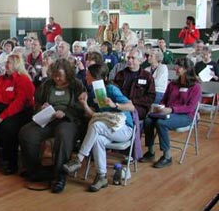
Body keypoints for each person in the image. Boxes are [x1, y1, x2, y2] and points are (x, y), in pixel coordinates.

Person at [63, 63, 135, 192]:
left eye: (88, 75)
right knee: (97, 137)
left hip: (124, 129)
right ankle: (102, 176)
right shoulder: (92, 92)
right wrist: (84, 104)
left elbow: (131, 107)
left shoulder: (111, 89)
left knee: (96, 126)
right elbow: (92, 114)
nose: (86, 77)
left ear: (95, 77)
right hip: (106, 128)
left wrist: (115, 105)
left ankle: (79, 159)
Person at [19, 59, 86, 193]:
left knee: (63, 133)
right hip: (48, 118)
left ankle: (60, 174)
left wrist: (65, 113)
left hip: (68, 120)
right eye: (54, 75)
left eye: (60, 76)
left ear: (67, 74)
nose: (57, 78)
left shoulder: (77, 85)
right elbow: (37, 102)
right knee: (27, 133)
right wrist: (42, 107)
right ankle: (35, 170)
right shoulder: (47, 84)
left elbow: (81, 108)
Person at [140, 58, 201, 168]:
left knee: (161, 123)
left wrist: (172, 109)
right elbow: (164, 99)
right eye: (176, 65)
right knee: (148, 119)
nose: (175, 68)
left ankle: (167, 156)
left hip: (185, 116)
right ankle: (150, 151)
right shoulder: (172, 84)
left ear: (187, 69)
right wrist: (161, 106)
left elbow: (191, 107)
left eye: (179, 66)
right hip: (168, 112)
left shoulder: (195, 87)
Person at [0, 54, 35, 175]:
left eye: (9, 63)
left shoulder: (23, 79)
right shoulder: (0, 79)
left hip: (19, 112)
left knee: (7, 127)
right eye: (6, 62)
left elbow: (19, 103)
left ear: (16, 65)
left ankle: (11, 162)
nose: (6, 65)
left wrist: (2, 116)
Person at [114, 49, 156, 120]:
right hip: (121, 104)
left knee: (123, 115)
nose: (130, 60)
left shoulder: (147, 76)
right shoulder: (120, 74)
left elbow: (150, 97)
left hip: (139, 107)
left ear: (140, 61)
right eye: (128, 58)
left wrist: (133, 101)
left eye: (133, 58)